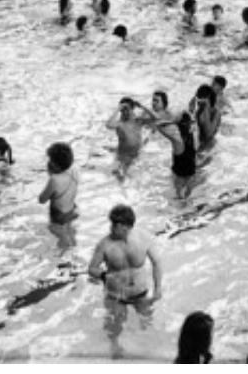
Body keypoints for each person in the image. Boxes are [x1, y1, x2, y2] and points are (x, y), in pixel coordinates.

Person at [87, 204, 162, 357]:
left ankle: (149, 351)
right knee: (115, 327)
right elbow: (92, 268)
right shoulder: (104, 245)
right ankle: (114, 349)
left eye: (117, 226)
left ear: (127, 227)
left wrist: (158, 288)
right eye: (113, 224)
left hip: (141, 293)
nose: (112, 228)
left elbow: (157, 262)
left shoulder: (143, 237)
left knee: (147, 324)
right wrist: (103, 276)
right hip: (116, 296)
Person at [38, 142, 79, 251]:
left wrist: (50, 175)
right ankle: (73, 249)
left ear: (55, 165)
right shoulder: (75, 170)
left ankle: (64, 259)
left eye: (50, 160)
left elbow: (42, 199)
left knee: (60, 236)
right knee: (69, 231)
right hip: (71, 210)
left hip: (58, 215)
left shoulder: (54, 180)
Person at [108, 99, 152, 180]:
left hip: (135, 154)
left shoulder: (138, 121)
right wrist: (117, 109)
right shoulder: (120, 123)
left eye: (126, 108)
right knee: (117, 173)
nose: (124, 112)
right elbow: (108, 124)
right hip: (122, 155)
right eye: (122, 109)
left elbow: (155, 119)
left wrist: (142, 106)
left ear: (132, 109)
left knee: (132, 177)